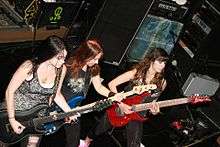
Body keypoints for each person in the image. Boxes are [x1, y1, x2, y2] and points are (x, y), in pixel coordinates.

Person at [81, 48, 169, 147]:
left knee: (134, 144)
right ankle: (86, 141)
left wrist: (154, 111)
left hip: (137, 114)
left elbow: (153, 102)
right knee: (99, 129)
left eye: (165, 63)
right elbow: (112, 84)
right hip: (121, 106)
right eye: (160, 62)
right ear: (152, 60)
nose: (163, 65)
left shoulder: (162, 83)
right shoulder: (136, 73)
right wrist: (121, 104)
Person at [0, 35, 76, 147]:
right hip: (14, 112)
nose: (63, 61)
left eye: (64, 57)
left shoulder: (61, 69)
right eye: (59, 58)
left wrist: (69, 112)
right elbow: (9, 91)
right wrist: (12, 119)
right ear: (49, 54)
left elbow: (57, 94)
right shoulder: (29, 66)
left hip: (37, 119)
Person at [61, 39, 122, 147]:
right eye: (94, 59)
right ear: (85, 55)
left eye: (98, 59)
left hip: (74, 109)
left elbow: (98, 87)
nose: (97, 62)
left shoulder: (94, 68)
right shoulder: (68, 65)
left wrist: (112, 95)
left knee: (73, 143)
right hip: (59, 106)